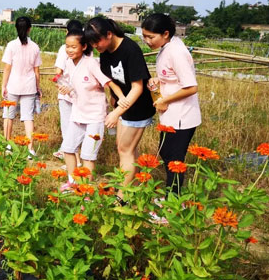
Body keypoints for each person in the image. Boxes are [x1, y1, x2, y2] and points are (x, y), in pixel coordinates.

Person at [84, 17, 156, 192]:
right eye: (91, 43)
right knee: (125, 149)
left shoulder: (130, 50)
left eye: (97, 41)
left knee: (125, 150)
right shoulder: (106, 51)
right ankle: (136, 186)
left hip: (138, 106)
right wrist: (114, 100)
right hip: (124, 105)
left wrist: (116, 113)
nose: (95, 46)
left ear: (109, 34)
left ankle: (122, 195)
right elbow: (112, 79)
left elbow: (138, 87)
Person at [142, 13, 201, 193]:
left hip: (182, 116)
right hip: (170, 115)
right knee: (167, 155)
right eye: (144, 36)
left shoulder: (177, 52)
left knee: (174, 161)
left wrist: (164, 99)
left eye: (151, 37)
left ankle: (173, 205)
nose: (147, 41)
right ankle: (170, 199)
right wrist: (158, 81)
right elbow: (173, 76)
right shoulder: (167, 47)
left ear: (165, 34)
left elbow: (191, 87)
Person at [58, 30, 125, 188]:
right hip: (77, 113)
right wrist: (68, 90)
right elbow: (75, 85)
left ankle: (86, 190)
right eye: (67, 46)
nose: (69, 50)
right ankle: (72, 181)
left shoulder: (91, 63)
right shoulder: (69, 63)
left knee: (88, 156)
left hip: (94, 116)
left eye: (73, 46)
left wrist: (122, 99)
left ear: (84, 47)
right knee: (67, 148)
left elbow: (108, 83)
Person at [1, 16, 42, 157]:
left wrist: (3, 85)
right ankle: (30, 149)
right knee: (28, 118)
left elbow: (7, 68)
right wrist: (38, 88)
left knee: (8, 116)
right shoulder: (35, 47)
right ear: (30, 29)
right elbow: (37, 71)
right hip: (29, 86)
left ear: (16, 28)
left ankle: (8, 145)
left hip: (13, 85)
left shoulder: (11, 45)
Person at [53, 19, 83, 166]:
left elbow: (58, 71)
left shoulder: (63, 48)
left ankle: (73, 160)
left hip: (66, 93)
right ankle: (76, 158)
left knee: (68, 126)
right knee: (78, 125)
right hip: (80, 94)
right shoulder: (85, 48)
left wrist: (57, 80)